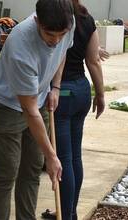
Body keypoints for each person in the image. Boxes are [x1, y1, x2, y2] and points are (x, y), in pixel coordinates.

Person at [0, 0, 75, 219]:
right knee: (7, 172)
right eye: (50, 34)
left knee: (32, 168)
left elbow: (62, 52)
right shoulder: (20, 44)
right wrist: (52, 156)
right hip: (5, 104)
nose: (56, 41)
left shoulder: (68, 25)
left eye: (61, 34)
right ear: (37, 21)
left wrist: (55, 86)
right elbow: (29, 110)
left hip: (38, 98)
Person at [42, 0, 105, 219]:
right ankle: (69, 211)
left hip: (61, 94)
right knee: (75, 157)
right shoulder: (87, 19)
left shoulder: (51, 16)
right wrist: (101, 93)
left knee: (64, 158)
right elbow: (94, 60)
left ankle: (66, 214)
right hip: (81, 90)